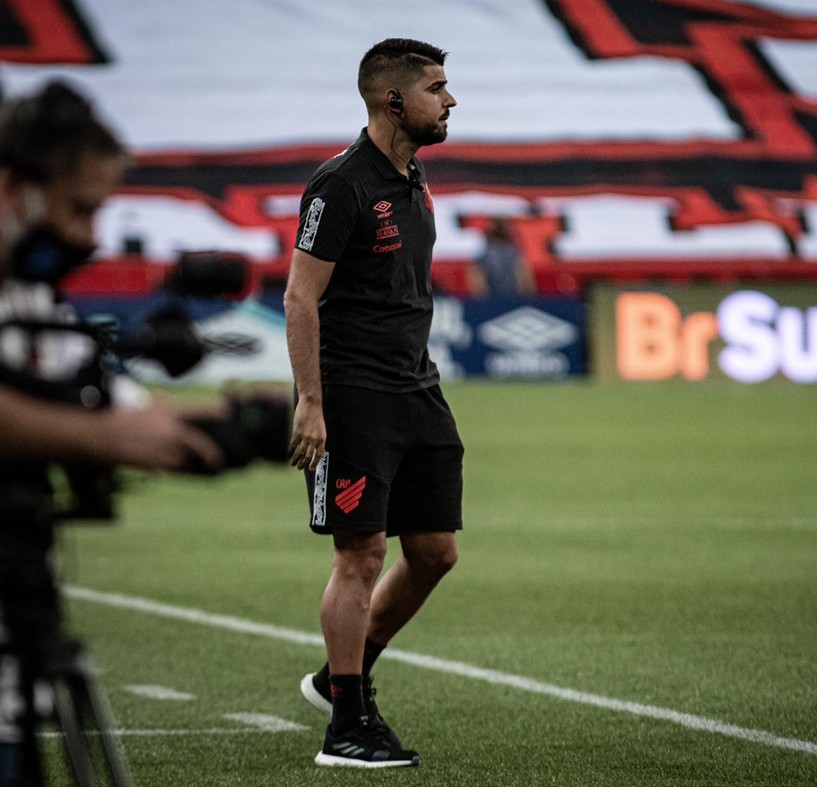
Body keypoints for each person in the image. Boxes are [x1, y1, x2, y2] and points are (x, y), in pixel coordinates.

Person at [0, 81, 222, 787]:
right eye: (81, 208)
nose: (90, 236)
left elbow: (90, 385)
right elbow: (93, 424)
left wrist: (206, 427)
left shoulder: (28, 289)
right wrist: (104, 439)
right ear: (15, 188)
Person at [284, 38, 462, 768]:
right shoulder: (340, 186)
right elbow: (300, 295)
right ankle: (348, 726)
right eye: (438, 88)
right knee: (360, 553)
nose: (450, 100)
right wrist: (311, 402)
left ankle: (338, 678)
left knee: (434, 552)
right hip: (354, 398)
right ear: (395, 100)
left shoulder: (414, 180)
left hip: (418, 390)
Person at [469, 216, 536, 297]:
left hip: (514, 295)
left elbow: (523, 273)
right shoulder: (483, 251)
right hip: (491, 297)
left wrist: (527, 297)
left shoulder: (513, 250)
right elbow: (477, 276)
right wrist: (482, 299)